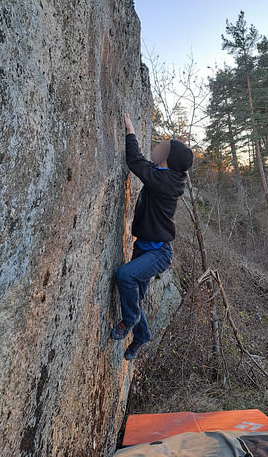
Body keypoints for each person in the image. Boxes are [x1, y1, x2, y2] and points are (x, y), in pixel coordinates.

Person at [110, 113, 194, 360]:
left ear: (170, 159)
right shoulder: (165, 175)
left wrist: (130, 131)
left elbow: (136, 162)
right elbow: (146, 165)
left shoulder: (165, 182)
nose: (160, 150)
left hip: (158, 253)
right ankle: (142, 335)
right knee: (135, 297)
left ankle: (130, 321)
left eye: (166, 150)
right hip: (144, 248)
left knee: (124, 276)